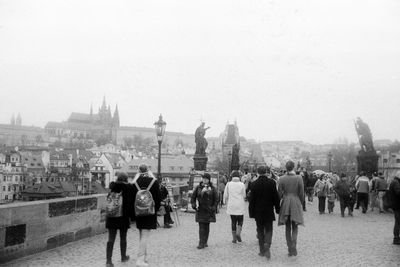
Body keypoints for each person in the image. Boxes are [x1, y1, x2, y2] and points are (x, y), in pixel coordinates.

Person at [131, 164, 161, 267]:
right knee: (144, 236)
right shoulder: (154, 182)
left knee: (141, 236)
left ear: (138, 171)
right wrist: (154, 210)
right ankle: (140, 260)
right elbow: (158, 199)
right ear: (148, 170)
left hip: (139, 213)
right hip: (150, 213)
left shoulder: (135, 183)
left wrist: (134, 214)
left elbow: (132, 200)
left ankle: (144, 257)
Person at [248, 166, 280, 259]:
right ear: (266, 172)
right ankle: (267, 243)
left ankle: (262, 250)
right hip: (268, 210)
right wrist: (278, 209)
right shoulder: (272, 183)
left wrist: (251, 213)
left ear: (258, 172)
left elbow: (251, 200)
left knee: (260, 230)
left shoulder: (253, 184)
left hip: (258, 211)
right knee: (269, 229)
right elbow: (276, 198)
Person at [105, 172, 134, 267]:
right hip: (123, 217)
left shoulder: (112, 186)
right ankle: (123, 256)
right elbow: (130, 204)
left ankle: (108, 261)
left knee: (111, 239)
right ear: (125, 179)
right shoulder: (128, 188)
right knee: (123, 237)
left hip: (111, 216)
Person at [278, 160, 304, 257]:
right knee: (295, 226)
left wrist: (279, 203)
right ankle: (294, 245)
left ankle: (289, 248)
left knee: (287, 227)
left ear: (286, 168)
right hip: (296, 201)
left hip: (286, 203)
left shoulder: (281, 178)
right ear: (293, 167)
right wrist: (300, 203)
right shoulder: (299, 178)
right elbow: (301, 193)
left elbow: (279, 193)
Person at [191, 173, 218, 249]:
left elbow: (216, 199)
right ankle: (201, 242)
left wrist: (213, 207)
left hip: (209, 210)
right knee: (201, 226)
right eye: (203, 178)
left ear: (209, 180)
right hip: (201, 209)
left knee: (206, 226)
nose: (205, 180)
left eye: (206, 179)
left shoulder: (212, 188)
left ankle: (205, 241)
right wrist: (193, 205)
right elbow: (193, 197)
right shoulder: (198, 187)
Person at [223, 171, 246, 243]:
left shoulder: (228, 184)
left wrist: (224, 202)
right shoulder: (242, 184)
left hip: (231, 204)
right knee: (240, 219)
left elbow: (225, 195)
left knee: (233, 221)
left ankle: (234, 238)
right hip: (240, 204)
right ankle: (238, 233)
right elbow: (244, 195)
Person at [388, 173, 400, 245]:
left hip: (396, 205)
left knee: (398, 221)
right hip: (397, 205)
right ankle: (396, 238)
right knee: (398, 222)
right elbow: (398, 192)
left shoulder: (395, 182)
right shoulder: (396, 182)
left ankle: (396, 238)